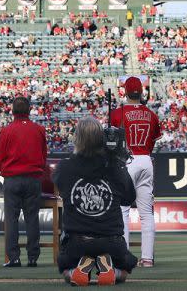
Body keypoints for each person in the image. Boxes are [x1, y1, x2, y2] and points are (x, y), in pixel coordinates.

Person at [54, 117, 137, 286]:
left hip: (77, 242)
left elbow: (64, 191)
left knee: (65, 271)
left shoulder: (65, 167)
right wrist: (116, 158)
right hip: (112, 242)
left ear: (77, 138)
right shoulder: (115, 166)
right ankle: (108, 266)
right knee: (122, 275)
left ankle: (80, 266)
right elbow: (129, 198)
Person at [109, 77, 160, 268]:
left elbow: (111, 143)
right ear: (141, 92)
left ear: (125, 92)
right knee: (146, 213)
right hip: (146, 159)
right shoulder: (151, 114)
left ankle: (123, 257)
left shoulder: (117, 113)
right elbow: (153, 141)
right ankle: (147, 258)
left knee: (122, 211)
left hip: (127, 161)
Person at [0, 96, 48, 267]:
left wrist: (0, 170)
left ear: (12, 110)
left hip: (12, 179)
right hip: (33, 178)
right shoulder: (39, 130)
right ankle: (33, 257)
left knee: (11, 219)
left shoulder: (6, 130)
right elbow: (43, 155)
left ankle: (14, 258)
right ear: (29, 110)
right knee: (32, 218)